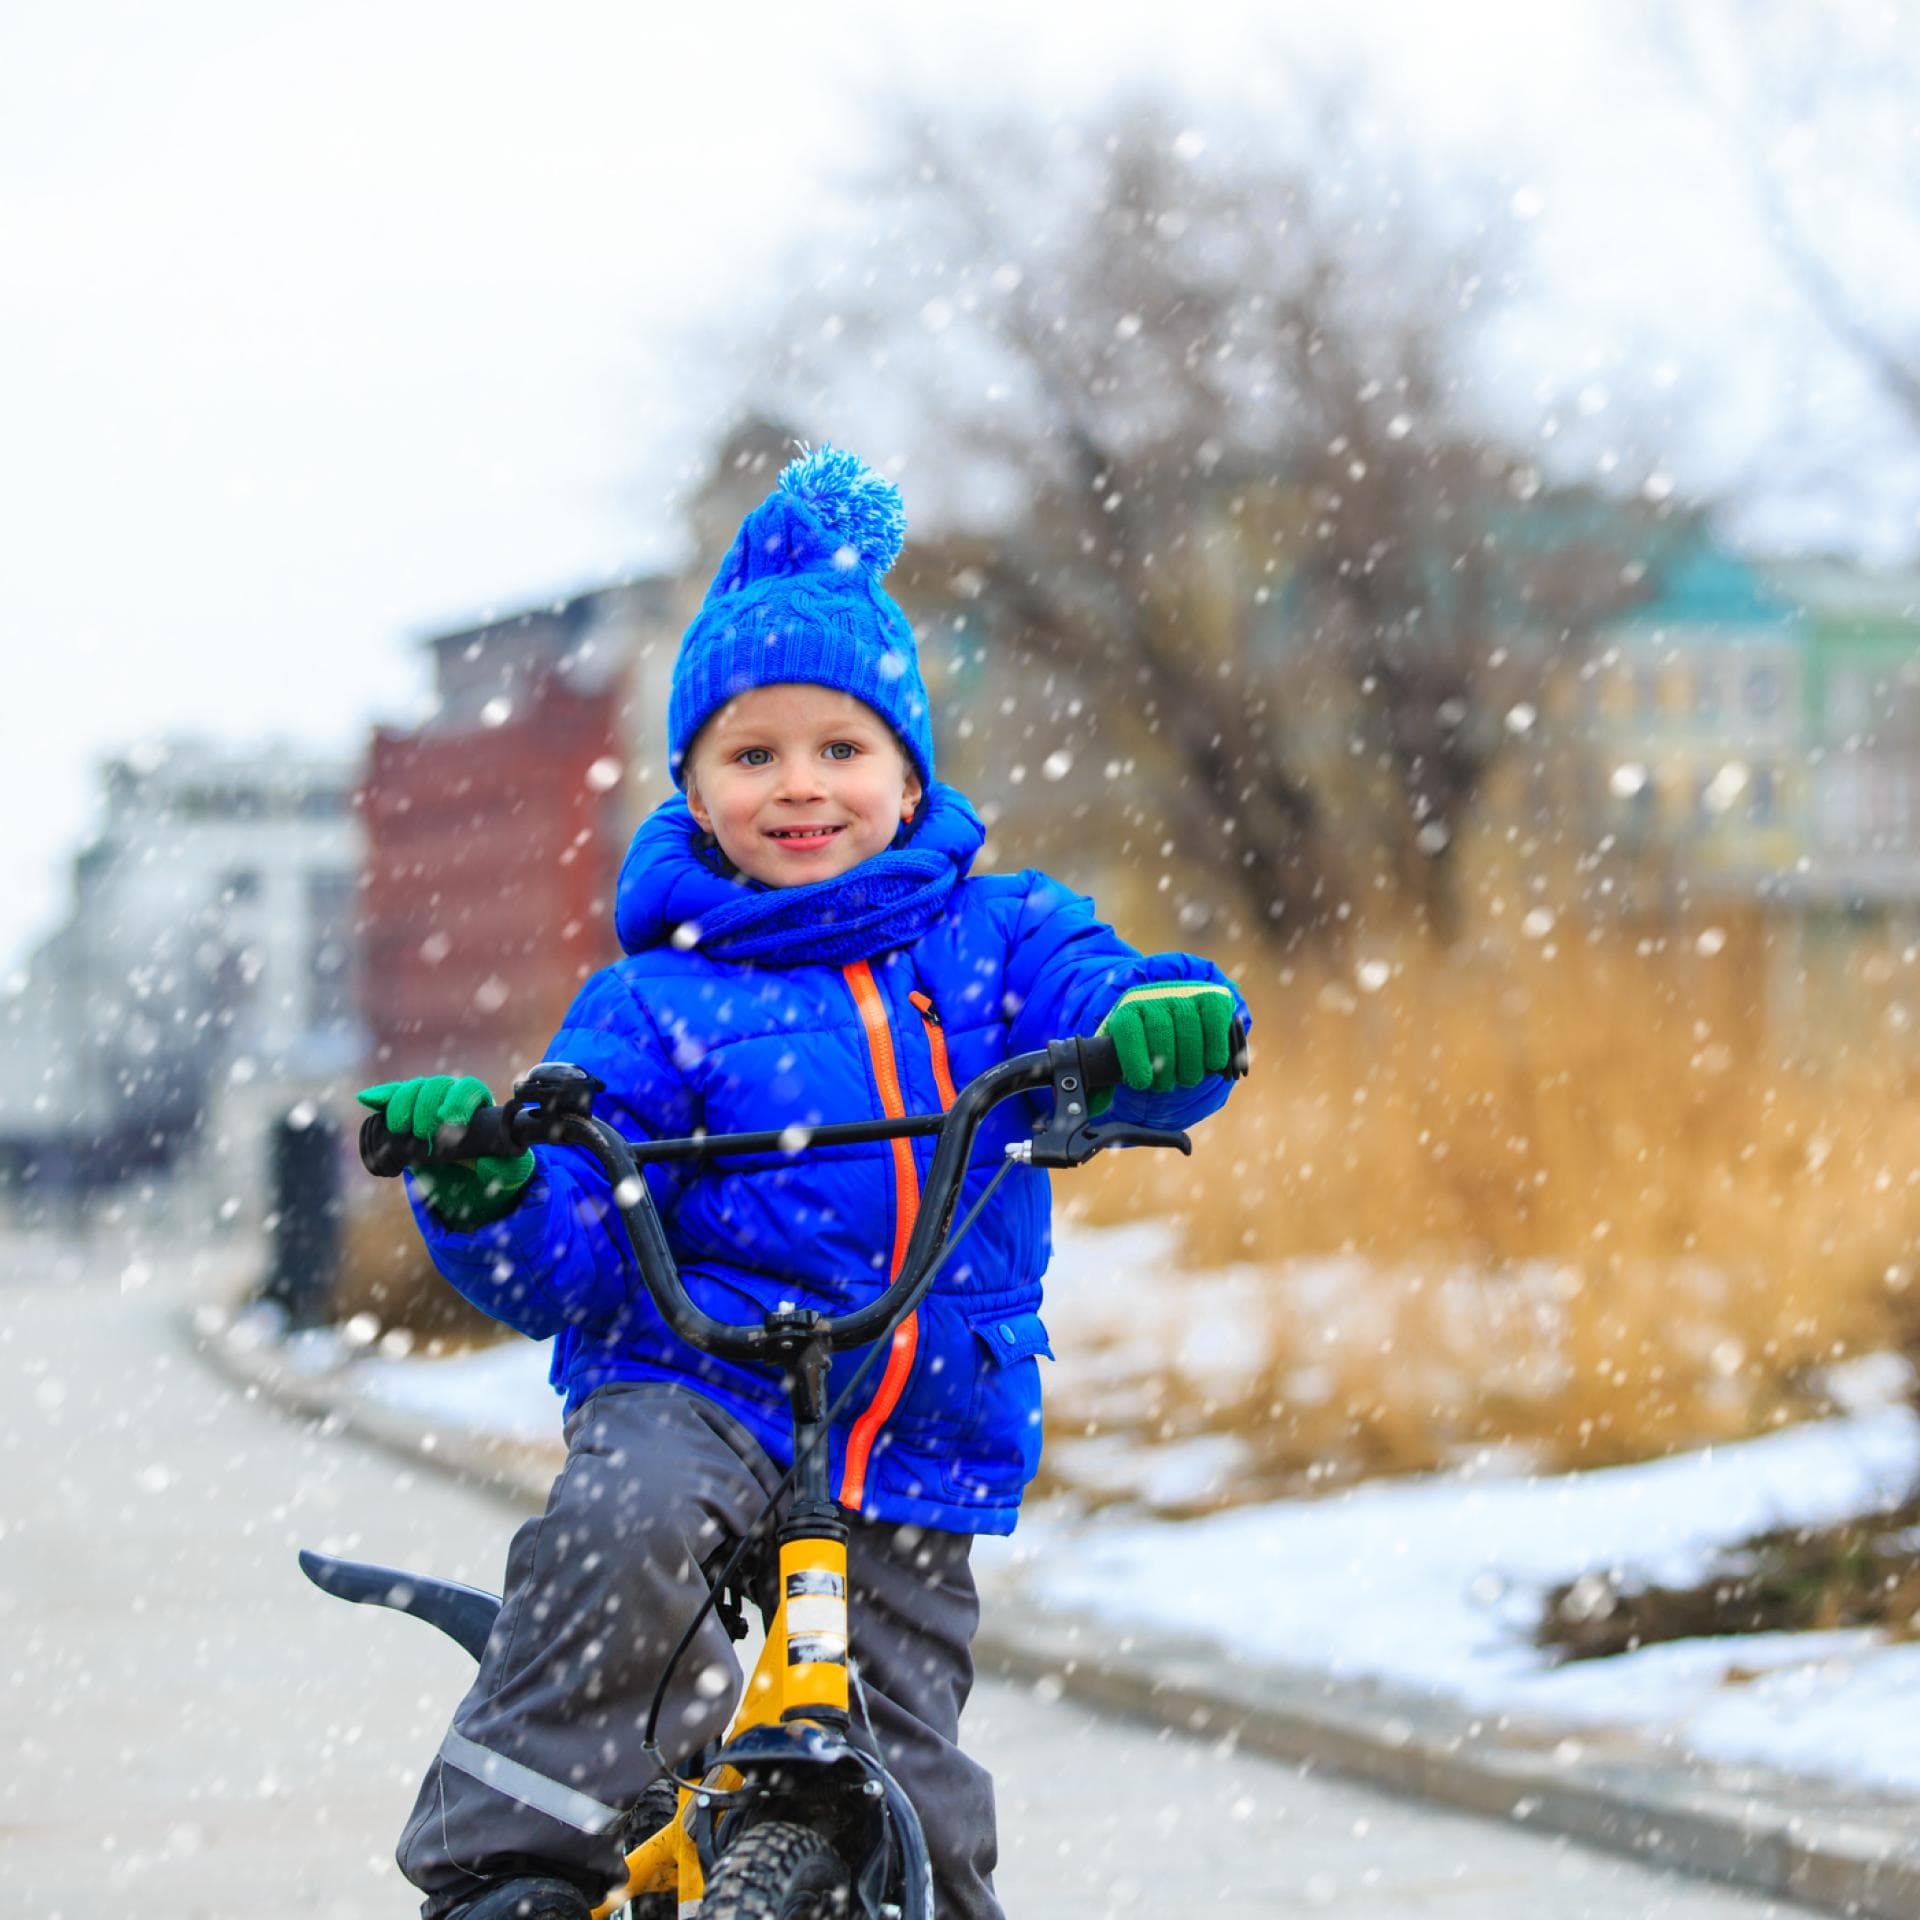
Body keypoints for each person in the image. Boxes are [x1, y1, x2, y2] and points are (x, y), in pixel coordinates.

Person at [358, 445, 1249, 1920]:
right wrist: (488, 1183)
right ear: (695, 793)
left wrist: (1154, 1032)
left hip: (912, 1420)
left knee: (925, 1802)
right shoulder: (650, 1004)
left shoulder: (1003, 938)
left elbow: (1117, 1010)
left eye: (840, 750)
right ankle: (504, 1865)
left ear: (908, 777)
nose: (800, 789)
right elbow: (565, 1253)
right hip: (700, 1389)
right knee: (623, 1524)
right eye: (751, 756)